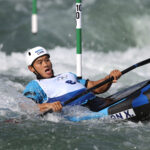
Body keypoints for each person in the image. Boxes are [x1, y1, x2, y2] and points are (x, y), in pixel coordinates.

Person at [23, 46, 122, 114]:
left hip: (97, 102)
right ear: (31, 68)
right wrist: (48, 106)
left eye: (47, 60)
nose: (45, 64)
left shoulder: (68, 75)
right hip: (79, 112)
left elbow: (96, 88)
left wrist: (109, 78)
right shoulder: (35, 85)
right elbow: (26, 106)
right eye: (40, 62)